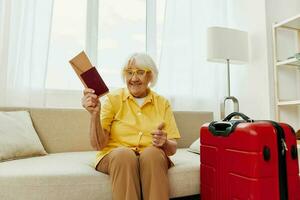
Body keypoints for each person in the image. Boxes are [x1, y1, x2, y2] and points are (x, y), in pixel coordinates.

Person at [81, 52, 181, 200]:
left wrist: (164, 142)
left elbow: (172, 149)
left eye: (140, 72)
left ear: (150, 76)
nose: (134, 78)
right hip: (117, 157)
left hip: (151, 156)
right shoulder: (113, 99)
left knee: (152, 153)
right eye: (129, 73)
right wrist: (94, 115)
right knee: (124, 155)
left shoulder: (162, 103)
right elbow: (98, 145)